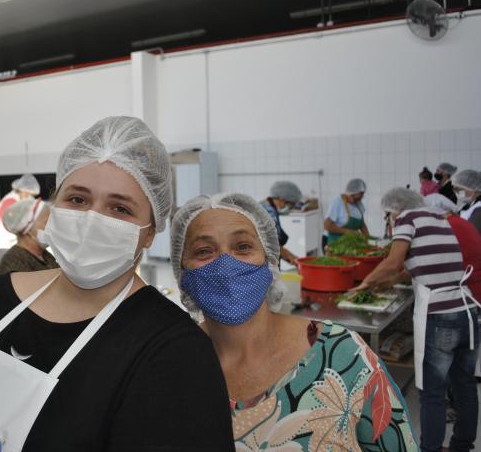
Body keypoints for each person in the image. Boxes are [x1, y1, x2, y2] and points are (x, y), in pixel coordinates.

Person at [0, 116, 234, 452]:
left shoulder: (175, 352)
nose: (92, 219)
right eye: (77, 199)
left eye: (120, 209)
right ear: (54, 206)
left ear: (150, 232)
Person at [170, 192, 416, 450]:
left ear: (269, 260)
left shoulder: (344, 355)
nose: (225, 264)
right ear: (182, 271)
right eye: (203, 251)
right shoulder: (168, 369)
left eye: (243, 246)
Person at [351, 187, 478, 452]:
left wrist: (362, 285)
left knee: (432, 392)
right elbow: (418, 266)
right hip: (467, 312)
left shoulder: (406, 219)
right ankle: (462, 446)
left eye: (389, 215)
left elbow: (392, 261)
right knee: (464, 385)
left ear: (396, 209)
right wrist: (390, 281)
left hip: (440, 316)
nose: (390, 220)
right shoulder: (439, 220)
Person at [0, 198, 58, 275]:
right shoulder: (13, 260)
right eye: (47, 222)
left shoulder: (46, 256)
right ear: (27, 228)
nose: (52, 227)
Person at [261, 180, 301, 265]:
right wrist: (292, 258)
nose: (291, 208)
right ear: (282, 200)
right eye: (291, 205)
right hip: (265, 263)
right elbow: (270, 244)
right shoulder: (268, 214)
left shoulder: (266, 206)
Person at [324, 178, 370, 244]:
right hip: (336, 243)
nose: (358, 201)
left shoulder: (359, 204)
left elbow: (362, 224)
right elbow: (327, 225)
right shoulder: (338, 202)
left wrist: (368, 239)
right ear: (350, 193)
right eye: (355, 199)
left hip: (351, 244)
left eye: (361, 197)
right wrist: (349, 232)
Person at [453, 169, 481, 233]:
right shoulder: (469, 204)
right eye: (455, 190)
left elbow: (471, 232)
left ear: (475, 189)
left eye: (459, 189)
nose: (457, 193)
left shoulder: (479, 209)